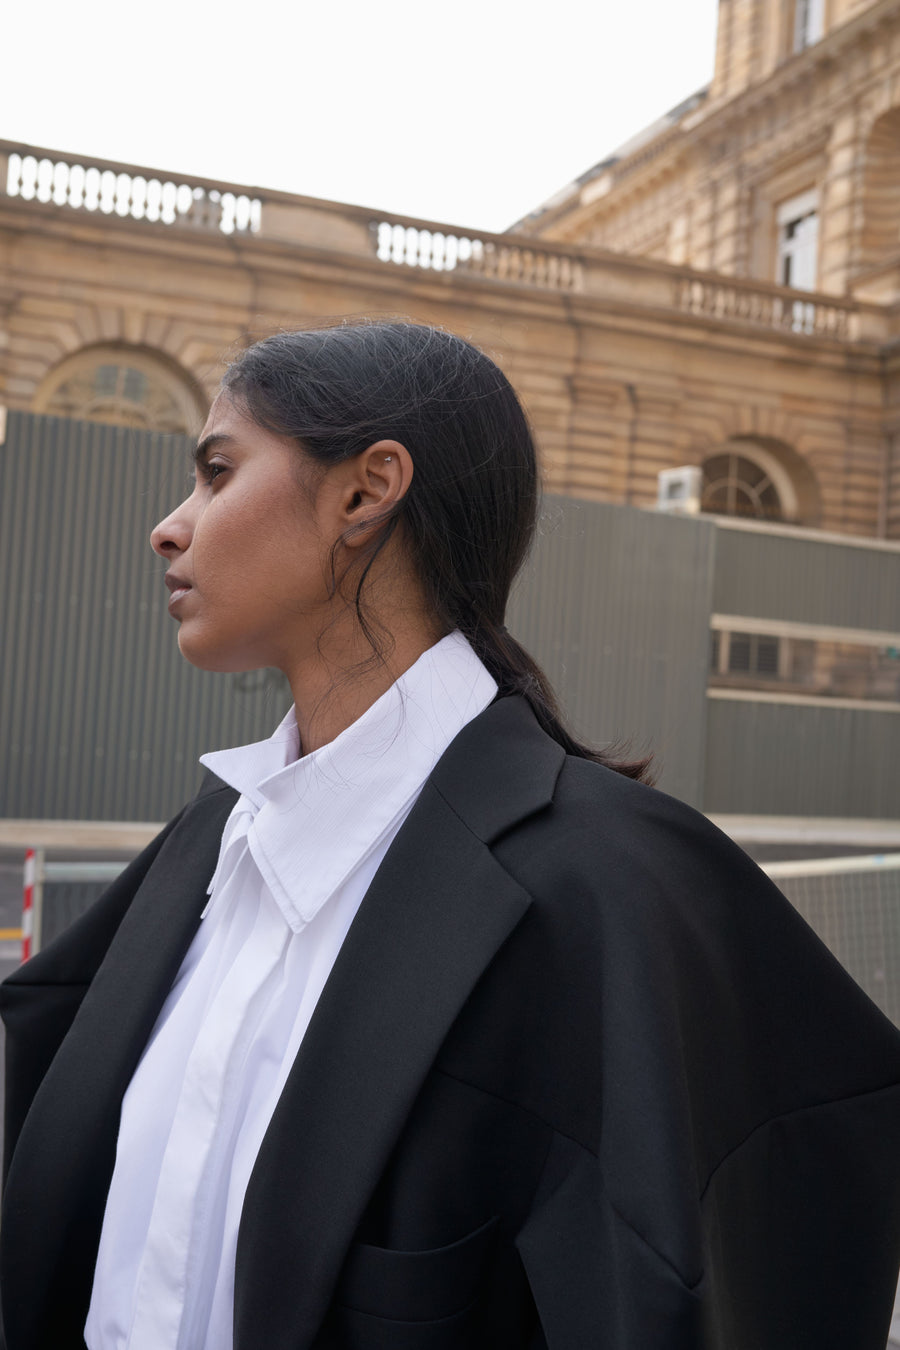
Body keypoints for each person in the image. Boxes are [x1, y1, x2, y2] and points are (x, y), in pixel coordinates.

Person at [2, 321, 900, 1350]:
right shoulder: (214, 843)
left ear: (366, 490)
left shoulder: (614, 888)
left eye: (216, 471)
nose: (171, 526)